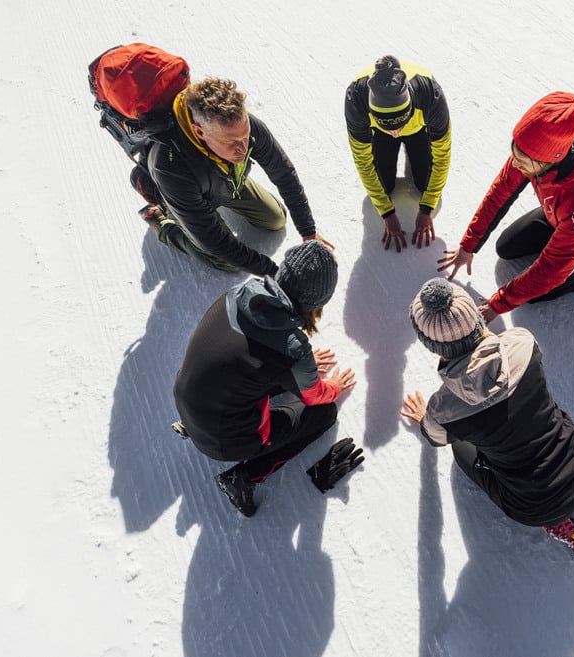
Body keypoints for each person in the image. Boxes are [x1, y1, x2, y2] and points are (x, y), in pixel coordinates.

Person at [400, 278, 574, 555]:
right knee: (547, 411)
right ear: (476, 320)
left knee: (461, 451)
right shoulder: (521, 342)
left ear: (432, 346)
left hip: (535, 506)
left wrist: (427, 418)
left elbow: (435, 437)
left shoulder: (444, 408)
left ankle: (565, 527)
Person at [172, 241, 362, 517]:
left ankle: (192, 425)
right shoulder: (291, 348)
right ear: (317, 302)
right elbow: (314, 396)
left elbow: (244, 358)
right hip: (224, 440)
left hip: (186, 398)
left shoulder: (239, 293)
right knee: (323, 415)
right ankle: (245, 477)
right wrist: (332, 386)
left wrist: (301, 367)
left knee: (250, 374)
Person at [438, 91, 574, 322]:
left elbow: (552, 270)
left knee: (536, 292)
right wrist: (468, 246)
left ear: (551, 159)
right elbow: (499, 195)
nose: (515, 163)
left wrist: (499, 303)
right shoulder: (532, 150)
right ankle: (560, 236)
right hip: (559, 215)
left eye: (522, 162)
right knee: (505, 247)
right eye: (515, 154)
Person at [140, 77, 334, 277]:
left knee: (276, 219)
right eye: (232, 142)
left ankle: (221, 188)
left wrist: (308, 232)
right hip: (183, 195)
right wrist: (275, 274)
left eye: (245, 136)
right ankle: (162, 223)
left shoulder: (243, 127)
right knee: (227, 261)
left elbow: (284, 174)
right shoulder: (170, 167)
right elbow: (214, 241)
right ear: (200, 132)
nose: (243, 148)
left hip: (224, 181)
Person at [345, 55, 451, 252]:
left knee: (424, 184)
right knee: (384, 187)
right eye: (389, 126)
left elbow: (442, 156)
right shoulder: (356, 99)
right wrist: (386, 212)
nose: (396, 133)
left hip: (419, 128)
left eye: (399, 124)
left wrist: (427, 206)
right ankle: (392, 131)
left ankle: (413, 154)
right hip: (378, 134)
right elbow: (363, 161)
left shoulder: (431, 95)